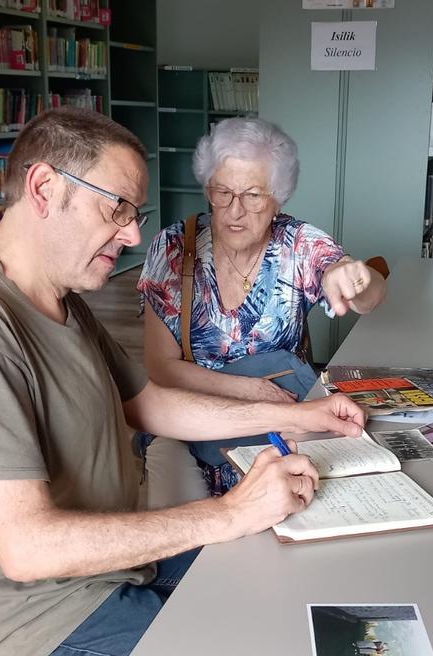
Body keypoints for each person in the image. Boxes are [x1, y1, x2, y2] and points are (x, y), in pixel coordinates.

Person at [0, 108, 367, 656]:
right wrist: (229, 512)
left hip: (105, 575)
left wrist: (303, 417)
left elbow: (148, 404)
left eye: (135, 213)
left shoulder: (55, 294)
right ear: (44, 188)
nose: (133, 234)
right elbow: (28, 548)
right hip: (33, 628)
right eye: (117, 208)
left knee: (281, 580)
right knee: (259, 649)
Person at [137, 117, 388, 502]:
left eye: (253, 195)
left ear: (278, 198)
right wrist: (251, 390)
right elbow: (160, 368)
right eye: (223, 192)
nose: (235, 210)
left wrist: (355, 277)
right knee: (179, 546)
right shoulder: (172, 248)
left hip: (280, 433)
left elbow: (369, 297)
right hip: (194, 430)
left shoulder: (297, 243)